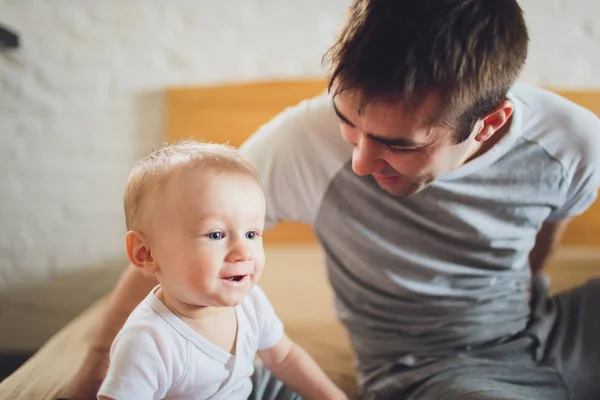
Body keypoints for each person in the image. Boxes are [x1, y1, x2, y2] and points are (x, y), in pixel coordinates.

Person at [67, 0, 600, 399]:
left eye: (398, 145)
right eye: (348, 122)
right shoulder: (300, 143)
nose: (361, 164)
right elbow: (175, 235)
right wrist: (94, 365)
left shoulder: (572, 142)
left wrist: (529, 287)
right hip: (430, 366)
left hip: (549, 324)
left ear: (489, 124)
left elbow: (549, 224)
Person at [95, 141, 347, 400]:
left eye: (251, 233)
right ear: (145, 253)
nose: (242, 252)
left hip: (249, 391)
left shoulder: (251, 302)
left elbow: (285, 358)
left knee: (281, 385)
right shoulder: (148, 341)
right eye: (216, 234)